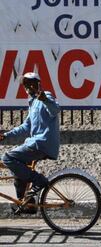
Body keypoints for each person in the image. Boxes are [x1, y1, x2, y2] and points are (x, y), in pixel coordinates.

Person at [0, 72, 60, 214]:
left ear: (38, 83)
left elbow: (55, 109)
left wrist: (45, 99)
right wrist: (5, 135)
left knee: (7, 158)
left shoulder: (46, 96)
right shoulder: (32, 103)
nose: (28, 86)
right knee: (18, 170)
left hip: (42, 143)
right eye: (25, 84)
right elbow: (26, 126)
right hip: (35, 143)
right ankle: (27, 204)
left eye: (31, 83)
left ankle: (39, 180)